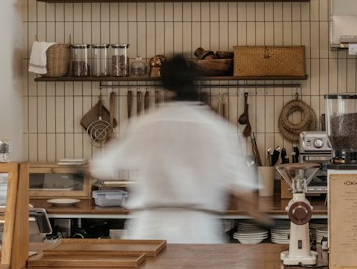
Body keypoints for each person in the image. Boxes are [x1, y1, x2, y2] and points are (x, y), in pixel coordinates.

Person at [90, 55, 266, 243]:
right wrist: (264, 220)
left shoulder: (145, 124)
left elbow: (101, 167)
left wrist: (77, 172)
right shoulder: (218, 129)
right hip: (197, 233)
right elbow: (244, 192)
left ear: (165, 88)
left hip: (150, 230)